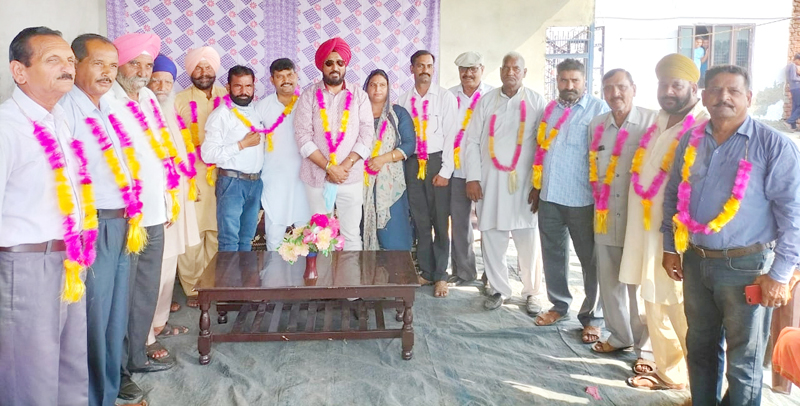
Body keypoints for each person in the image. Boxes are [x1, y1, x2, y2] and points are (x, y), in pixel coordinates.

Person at [661, 65, 800, 405]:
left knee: (744, 363)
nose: (724, 97)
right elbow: (672, 195)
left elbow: (794, 216)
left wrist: (780, 274)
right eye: (716, 90)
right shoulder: (690, 140)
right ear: (704, 96)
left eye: (734, 91)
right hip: (695, 261)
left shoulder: (773, 146)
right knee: (700, 347)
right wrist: (670, 247)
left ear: (748, 98)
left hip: (748, 268)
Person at [0, 26, 89, 406]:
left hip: (69, 260)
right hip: (26, 265)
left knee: (70, 368)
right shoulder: (7, 126)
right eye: (54, 60)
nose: (67, 67)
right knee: (30, 376)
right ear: (19, 71)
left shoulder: (59, 121)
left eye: (69, 60)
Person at [620, 53, 710, 391]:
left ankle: (700, 382)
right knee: (654, 302)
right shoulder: (659, 119)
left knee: (680, 308)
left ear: (694, 88)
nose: (668, 90)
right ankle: (670, 373)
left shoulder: (701, 124)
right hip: (646, 230)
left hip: (675, 236)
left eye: (676, 84)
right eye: (663, 84)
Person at [60, 32, 136, 406]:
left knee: (113, 317)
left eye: (112, 65)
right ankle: (90, 398)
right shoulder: (66, 111)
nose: (108, 72)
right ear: (75, 65)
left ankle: (107, 393)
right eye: (98, 63)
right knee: (91, 320)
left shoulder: (107, 106)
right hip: (93, 227)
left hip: (122, 223)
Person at [105, 32, 174, 403]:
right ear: (119, 65)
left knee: (146, 290)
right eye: (136, 64)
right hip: (125, 217)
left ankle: (137, 357)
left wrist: (165, 202)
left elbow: (158, 154)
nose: (143, 72)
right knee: (122, 296)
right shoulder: (108, 101)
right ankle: (117, 370)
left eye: (148, 65)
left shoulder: (148, 98)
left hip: (154, 211)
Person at [531, 59, 609, 345]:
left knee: (591, 261)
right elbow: (541, 150)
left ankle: (593, 318)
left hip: (583, 198)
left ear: (584, 82)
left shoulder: (598, 110)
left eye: (575, 80)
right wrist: (537, 187)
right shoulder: (549, 110)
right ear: (557, 81)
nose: (569, 86)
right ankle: (559, 305)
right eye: (564, 80)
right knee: (553, 255)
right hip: (550, 196)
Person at [464, 52, 545, 313]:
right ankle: (498, 289)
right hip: (491, 183)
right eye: (506, 68)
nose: (511, 72)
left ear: (524, 72)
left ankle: (532, 292)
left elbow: (543, 145)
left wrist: (539, 184)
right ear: (499, 72)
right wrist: (473, 178)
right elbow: (473, 140)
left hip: (524, 186)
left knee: (528, 239)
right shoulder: (487, 101)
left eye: (516, 68)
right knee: (492, 236)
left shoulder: (536, 102)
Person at [586, 69, 656, 365]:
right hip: (605, 215)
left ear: (634, 88)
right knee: (610, 279)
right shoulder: (596, 125)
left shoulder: (653, 122)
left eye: (622, 87)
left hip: (639, 219)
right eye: (609, 88)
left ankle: (647, 349)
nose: (615, 94)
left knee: (639, 285)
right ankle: (618, 336)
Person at [294, 37, 373, 250]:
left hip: (351, 177)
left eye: (340, 62)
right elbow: (302, 136)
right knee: (320, 235)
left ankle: (351, 282)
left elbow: (367, 134)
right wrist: (329, 168)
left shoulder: (359, 96)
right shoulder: (309, 95)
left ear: (346, 64)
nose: (335, 67)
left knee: (351, 234)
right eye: (329, 63)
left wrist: (342, 168)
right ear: (322, 66)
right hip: (317, 177)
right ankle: (324, 282)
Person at [145, 54, 198, 355]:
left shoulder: (171, 111)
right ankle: (147, 330)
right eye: (157, 81)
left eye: (167, 82)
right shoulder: (143, 113)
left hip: (175, 200)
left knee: (170, 262)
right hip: (157, 204)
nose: (163, 87)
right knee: (156, 266)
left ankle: (160, 321)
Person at [398, 50, 459, 297]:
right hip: (413, 164)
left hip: (436, 163)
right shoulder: (402, 101)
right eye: (420, 65)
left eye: (429, 66)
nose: (425, 70)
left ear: (434, 69)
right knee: (421, 220)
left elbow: (451, 137)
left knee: (440, 222)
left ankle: (441, 276)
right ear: (411, 69)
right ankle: (425, 271)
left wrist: (445, 170)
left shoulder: (444, 98)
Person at [174, 46, 228, 306]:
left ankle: (212, 285)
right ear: (190, 71)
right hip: (190, 177)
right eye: (198, 67)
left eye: (208, 67)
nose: (204, 72)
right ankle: (193, 288)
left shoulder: (228, 96)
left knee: (216, 233)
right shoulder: (179, 100)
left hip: (222, 174)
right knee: (192, 235)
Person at [203, 65, 264, 252]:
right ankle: (228, 281)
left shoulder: (257, 111)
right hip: (232, 183)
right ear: (228, 88)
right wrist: (241, 144)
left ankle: (243, 282)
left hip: (255, 183)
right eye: (238, 86)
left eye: (248, 86)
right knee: (229, 240)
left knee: (246, 240)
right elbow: (208, 154)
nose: (244, 91)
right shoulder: (221, 115)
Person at [254, 58, 311, 251]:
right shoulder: (262, 107)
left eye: (289, 75)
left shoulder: (307, 103)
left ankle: (305, 278)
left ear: (296, 76)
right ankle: (273, 279)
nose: (285, 80)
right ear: (272, 80)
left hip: (303, 178)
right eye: (280, 76)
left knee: (305, 235)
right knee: (274, 236)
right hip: (274, 179)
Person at [448, 51, 492, 287]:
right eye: (463, 69)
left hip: (485, 171)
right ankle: (464, 272)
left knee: (488, 223)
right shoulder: (449, 96)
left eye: (473, 68)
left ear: (481, 69)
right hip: (456, 170)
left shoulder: (493, 96)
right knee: (460, 223)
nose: (468, 73)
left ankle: (491, 274)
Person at [362, 69, 416, 250]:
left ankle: (398, 275)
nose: (377, 89)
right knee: (360, 228)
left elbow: (409, 145)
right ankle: (366, 274)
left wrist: (383, 159)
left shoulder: (398, 113)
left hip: (390, 182)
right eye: (373, 85)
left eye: (382, 85)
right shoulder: (357, 114)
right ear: (366, 88)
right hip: (361, 182)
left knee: (394, 232)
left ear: (388, 89)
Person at [785, 54, 800, 131]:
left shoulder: (790, 66)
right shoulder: (792, 65)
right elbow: (793, 78)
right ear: (797, 59)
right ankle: (789, 121)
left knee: (795, 107)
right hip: (797, 88)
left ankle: (793, 126)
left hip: (794, 88)